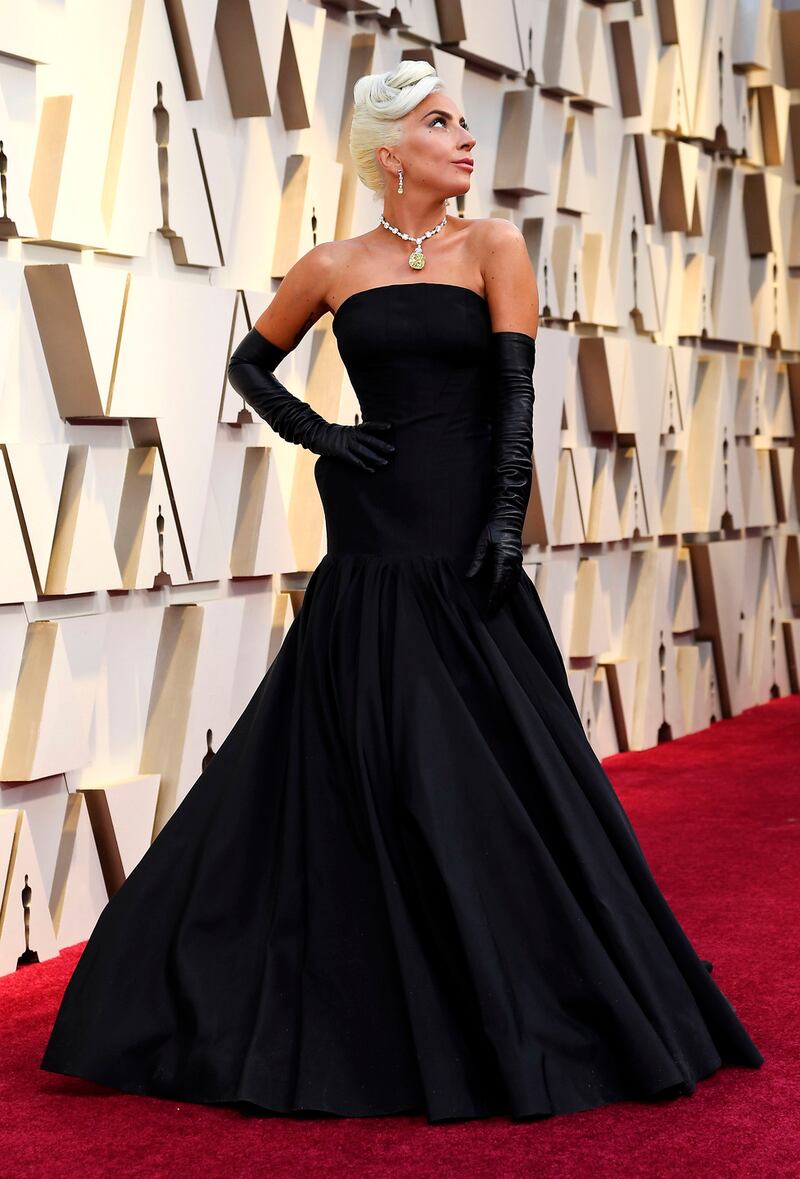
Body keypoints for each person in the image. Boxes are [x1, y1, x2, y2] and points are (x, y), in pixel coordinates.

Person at [39, 61, 763, 1123]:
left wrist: (504, 519)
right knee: (371, 754)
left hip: (460, 529)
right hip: (370, 533)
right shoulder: (332, 263)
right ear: (389, 151)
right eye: (440, 124)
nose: (465, 140)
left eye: (463, 123)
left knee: (488, 767)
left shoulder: (494, 247)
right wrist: (322, 435)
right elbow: (249, 368)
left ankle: (521, 999)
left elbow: (515, 396)